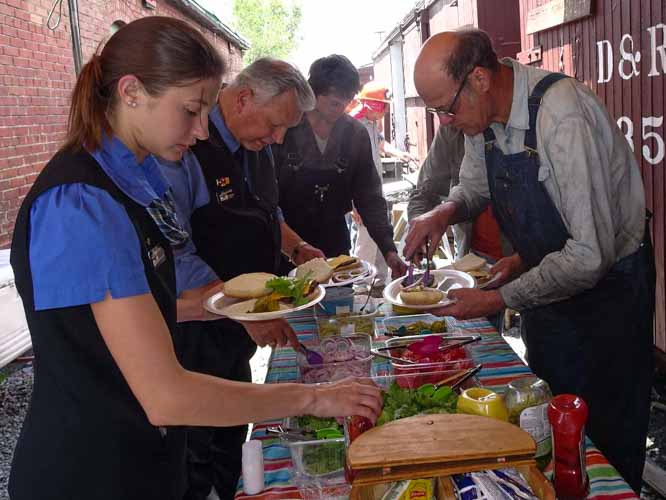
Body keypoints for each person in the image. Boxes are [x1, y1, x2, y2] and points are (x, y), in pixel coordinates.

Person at [8, 17, 382, 500]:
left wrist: (219, 305)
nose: (202, 130)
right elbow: (166, 395)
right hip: (93, 466)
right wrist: (313, 398)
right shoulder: (81, 202)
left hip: (143, 456)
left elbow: (130, 304)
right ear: (131, 92)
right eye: (191, 110)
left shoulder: (133, 179)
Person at [404, 28, 655, 491]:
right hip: (549, 284)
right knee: (548, 410)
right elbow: (475, 187)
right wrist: (444, 211)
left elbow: (587, 255)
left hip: (609, 294)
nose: (444, 121)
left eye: (447, 108)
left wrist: (498, 298)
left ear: (479, 79)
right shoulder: (481, 122)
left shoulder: (561, 116)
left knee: (607, 434)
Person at [158, 58, 321, 500]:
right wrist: (241, 312)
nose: (279, 138)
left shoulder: (257, 144)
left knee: (233, 436)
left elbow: (270, 210)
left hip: (238, 328)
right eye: (275, 125)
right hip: (196, 332)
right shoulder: (187, 150)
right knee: (196, 450)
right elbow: (177, 251)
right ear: (244, 98)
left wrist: (296, 247)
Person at [273, 55, 407, 280]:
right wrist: (292, 245)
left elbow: (369, 197)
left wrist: (388, 250)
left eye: (347, 102)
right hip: (287, 248)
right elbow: (265, 199)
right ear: (313, 94)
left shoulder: (355, 134)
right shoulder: (286, 129)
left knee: (338, 312)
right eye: (335, 102)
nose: (341, 108)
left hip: (335, 247)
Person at [407, 124, 507, 262]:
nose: (444, 119)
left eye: (451, 107)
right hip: (472, 253)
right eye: (439, 111)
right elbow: (425, 191)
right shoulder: (450, 127)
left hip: (523, 256)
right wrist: (418, 229)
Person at [348, 81, 414, 283]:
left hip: (375, 191)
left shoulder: (370, 122)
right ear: (373, 106)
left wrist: (400, 154)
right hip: (361, 197)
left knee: (380, 236)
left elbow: (380, 142)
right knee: (365, 242)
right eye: (383, 106)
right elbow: (348, 170)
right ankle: (360, 283)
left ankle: (380, 280)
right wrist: (353, 205)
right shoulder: (352, 125)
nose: (386, 110)